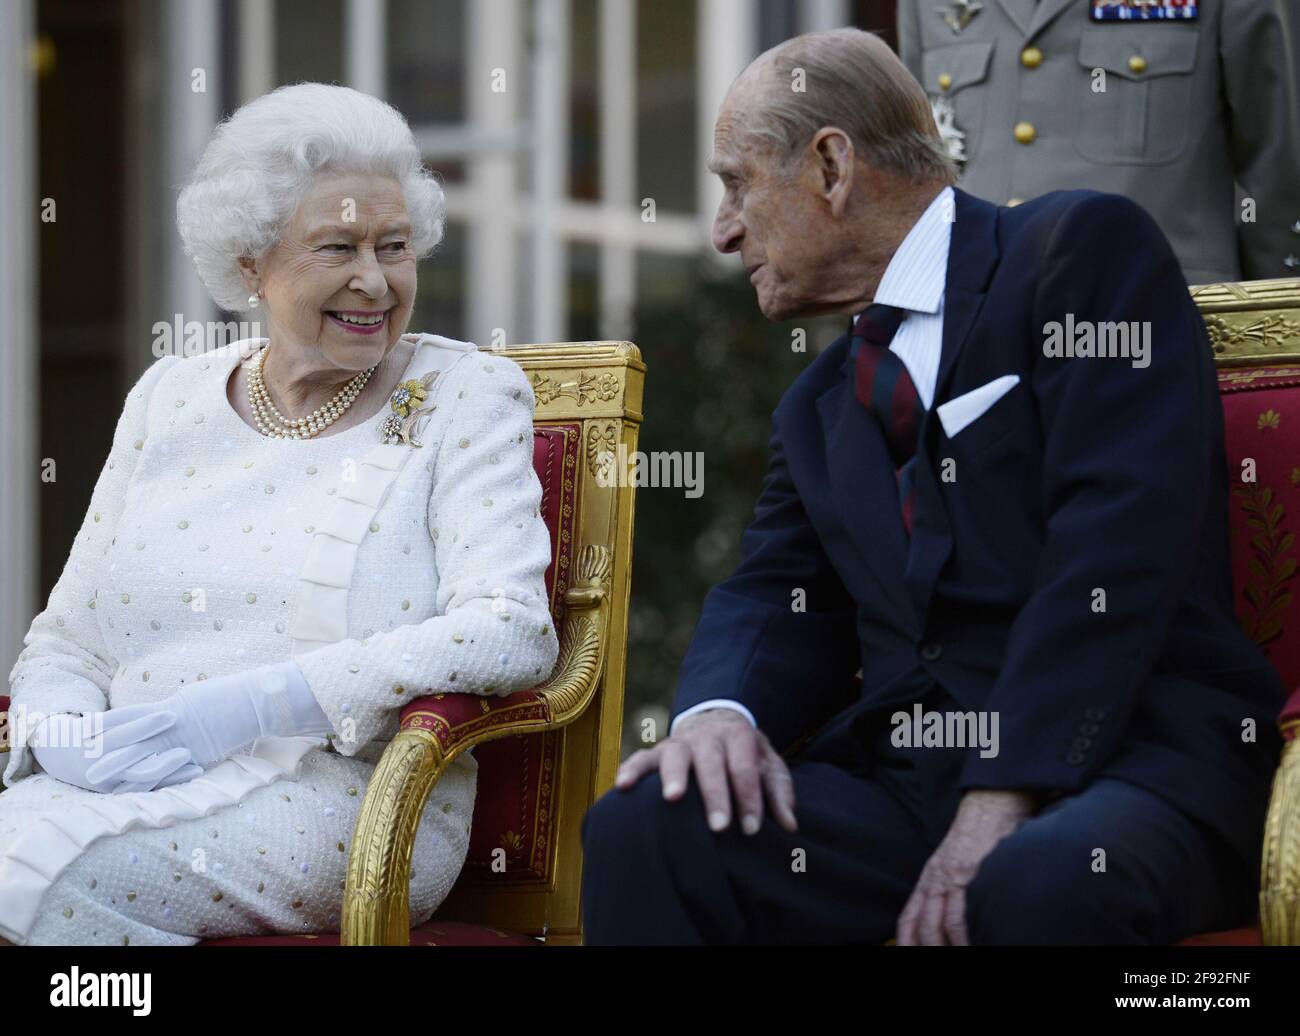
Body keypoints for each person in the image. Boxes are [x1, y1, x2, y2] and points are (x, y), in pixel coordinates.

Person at [580, 27, 1286, 945]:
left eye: (735, 183)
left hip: (1123, 764)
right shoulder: (818, 405)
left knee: (1037, 883)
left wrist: (1004, 791)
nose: (722, 232)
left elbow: (1115, 546)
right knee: (650, 828)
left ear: (832, 165)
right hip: (913, 788)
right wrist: (720, 714)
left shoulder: (1078, 255)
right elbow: (774, 592)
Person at [0, 83, 558, 946]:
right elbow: (68, 639)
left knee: (61, 883)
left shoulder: (464, 394)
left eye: (395, 245)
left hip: (351, 804)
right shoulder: (167, 399)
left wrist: (257, 703)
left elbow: (510, 628)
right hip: (127, 784)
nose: (373, 280)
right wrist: (62, 729)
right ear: (250, 264)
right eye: (337, 246)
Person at [897, 0, 1300, 284]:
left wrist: (1278, 328)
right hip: (977, 333)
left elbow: (1274, 169)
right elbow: (914, 166)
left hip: (1154, 331)